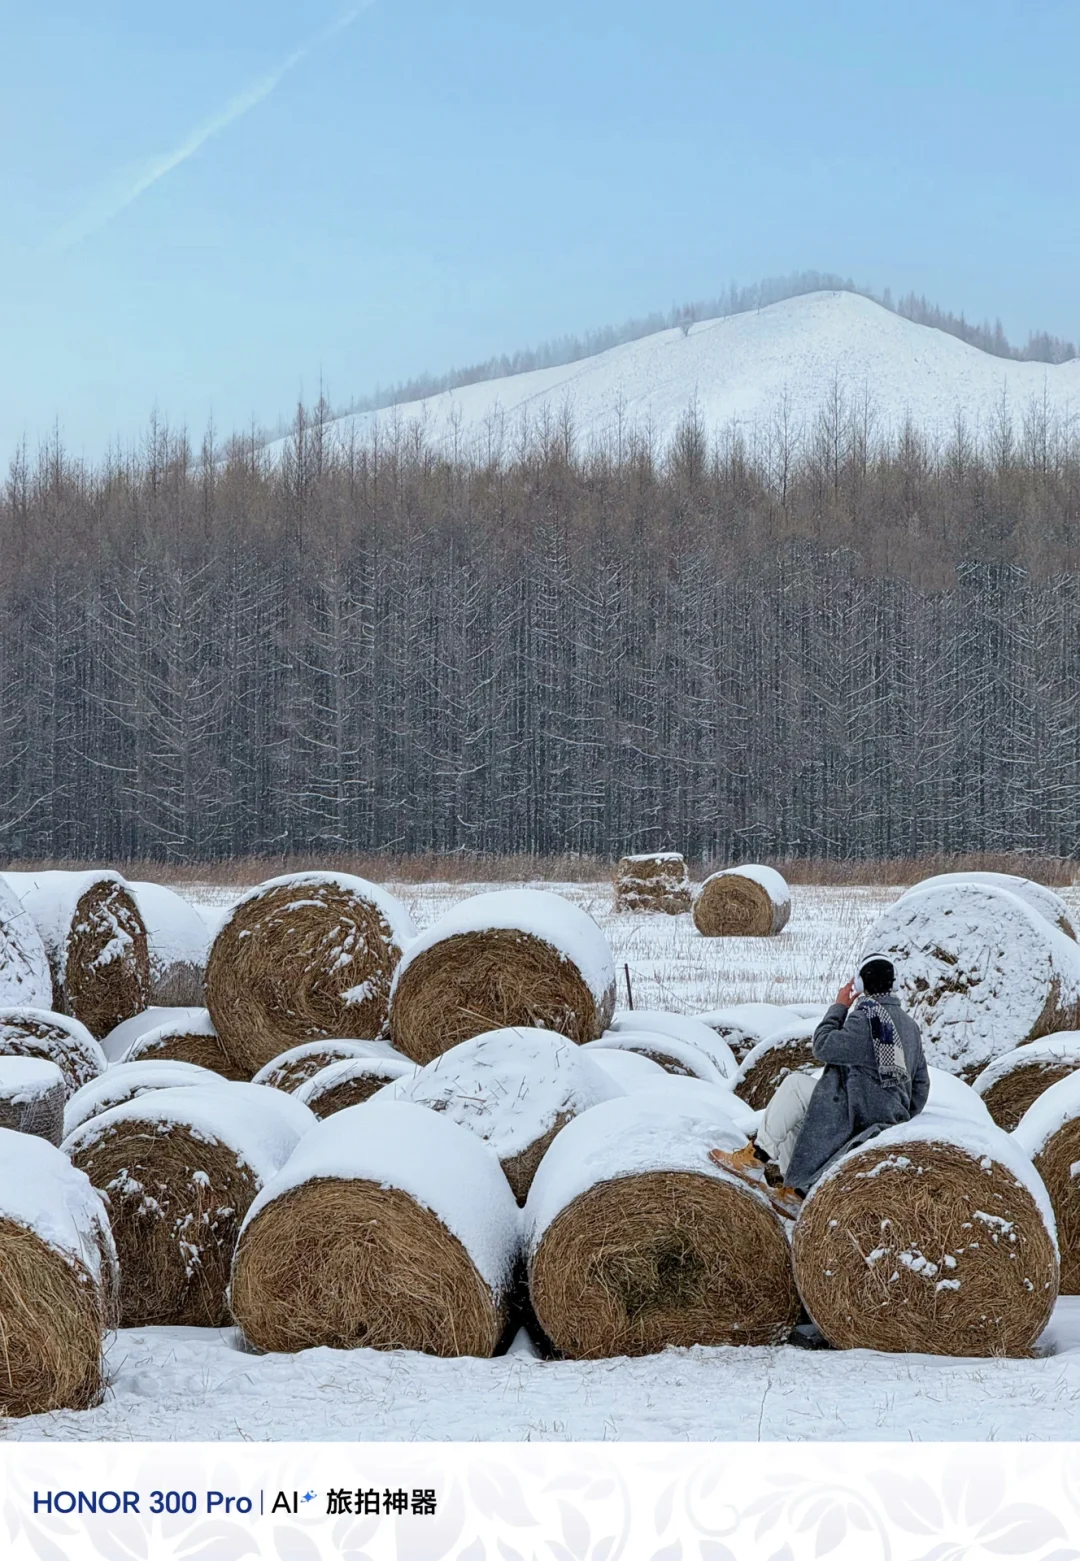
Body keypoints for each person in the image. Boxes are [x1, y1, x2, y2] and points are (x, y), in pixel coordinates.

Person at [777, 953, 929, 1198]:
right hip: (892, 1115)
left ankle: (775, 1171)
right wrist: (901, 1113)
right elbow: (921, 1086)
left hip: (859, 1115)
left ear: (860, 985)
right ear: (895, 983)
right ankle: (793, 1188)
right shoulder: (911, 1026)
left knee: (796, 1098)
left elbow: (823, 1047)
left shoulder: (866, 1018)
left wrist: (840, 1007)